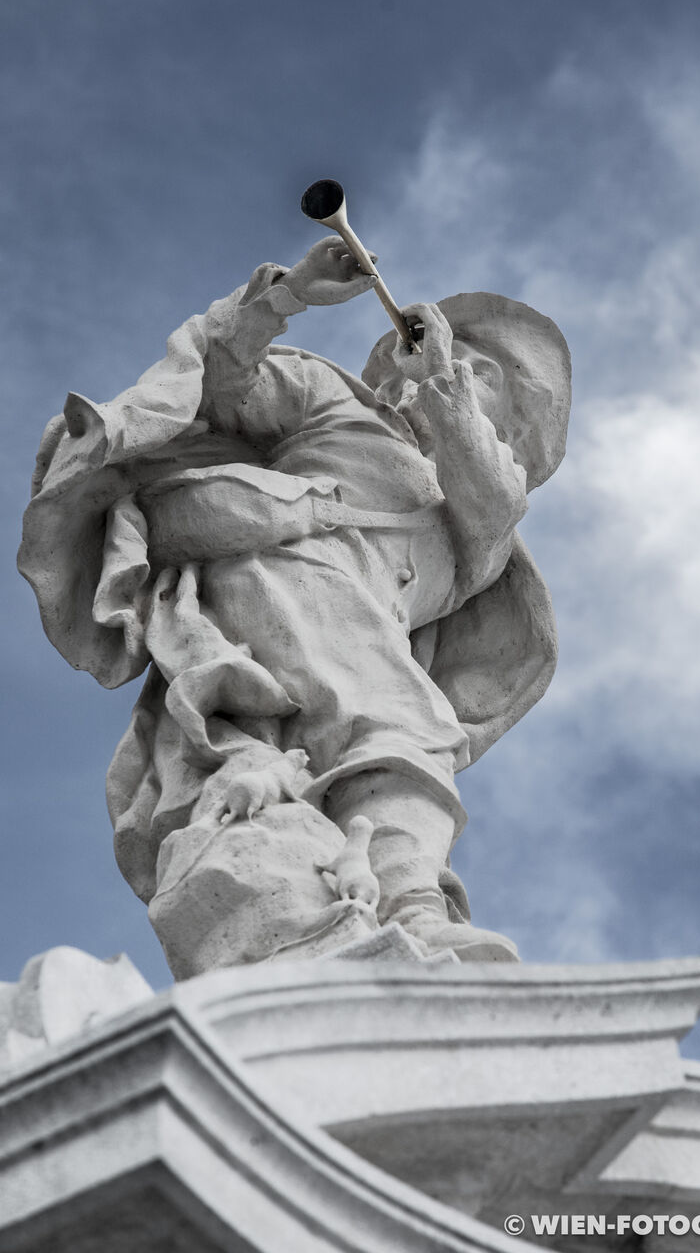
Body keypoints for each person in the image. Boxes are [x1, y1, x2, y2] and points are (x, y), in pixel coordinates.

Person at [19, 237, 571, 967]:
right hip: (271, 582)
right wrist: (286, 296)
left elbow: (488, 497)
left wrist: (445, 382)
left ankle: (390, 906)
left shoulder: (485, 515)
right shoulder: (334, 400)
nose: (461, 366)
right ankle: (395, 905)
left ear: (517, 425)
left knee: (390, 746)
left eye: (486, 374)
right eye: (457, 352)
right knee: (389, 724)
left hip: (356, 628)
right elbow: (220, 384)